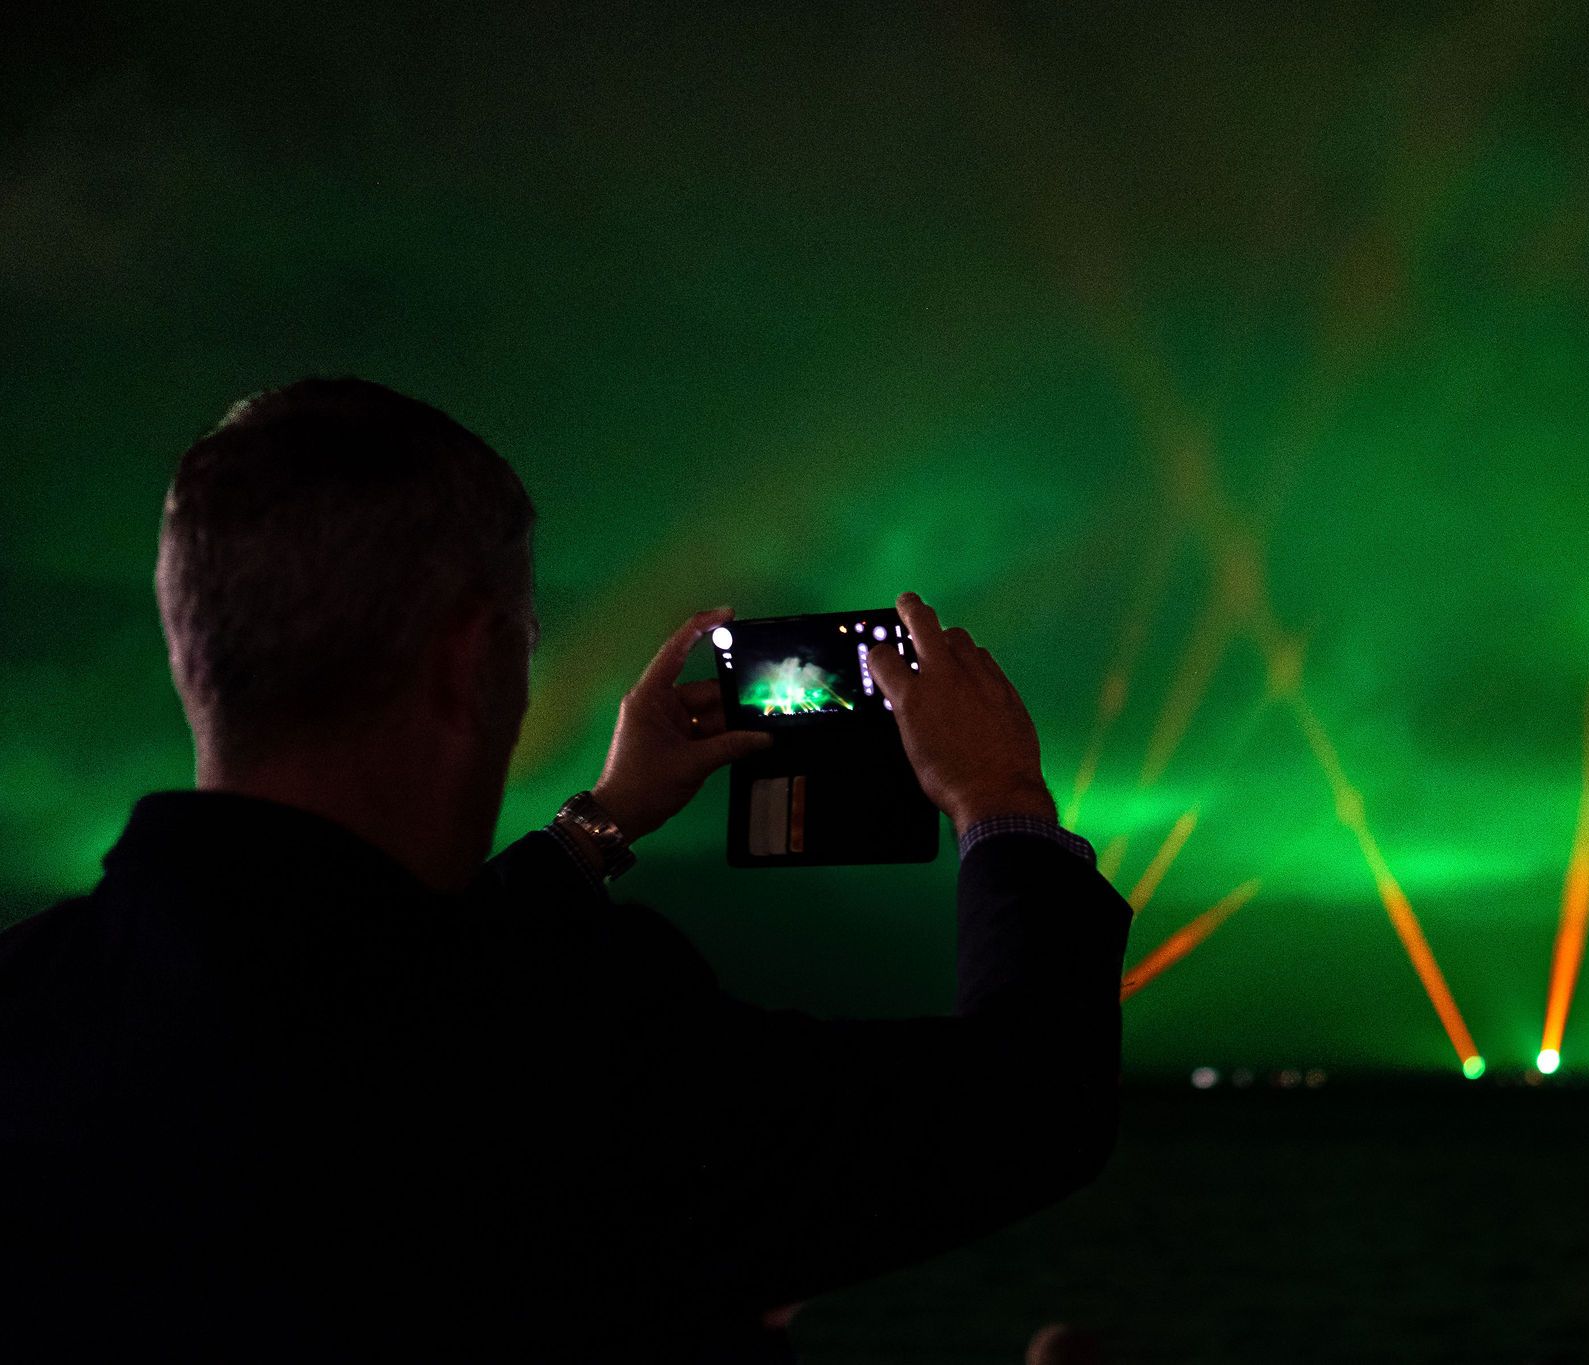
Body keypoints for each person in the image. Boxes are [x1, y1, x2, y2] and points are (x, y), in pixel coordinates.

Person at [0, 378, 1132, 1362]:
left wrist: (600, 823)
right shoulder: (583, 1050)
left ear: (193, 643)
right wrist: (1001, 801)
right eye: (525, 639)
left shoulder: (33, 1000)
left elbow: (358, 965)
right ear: (470, 656)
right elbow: (1029, 1106)